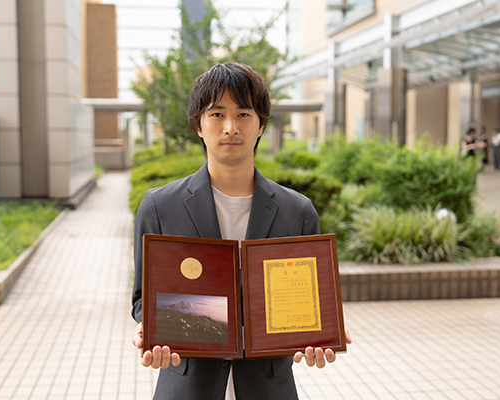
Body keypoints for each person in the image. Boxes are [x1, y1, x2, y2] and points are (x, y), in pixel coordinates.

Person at [131, 62, 352, 400]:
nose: (231, 127)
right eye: (217, 114)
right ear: (198, 125)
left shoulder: (297, 211)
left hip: (268, 387)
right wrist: (149, 327)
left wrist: (319, 335)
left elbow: (309, 303)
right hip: (187, 385)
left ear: (261, 124)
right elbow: (142, 297)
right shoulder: (159, 206)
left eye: (244, 114)